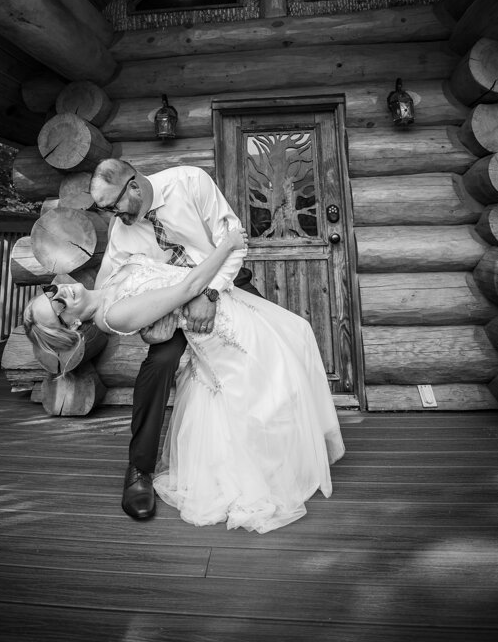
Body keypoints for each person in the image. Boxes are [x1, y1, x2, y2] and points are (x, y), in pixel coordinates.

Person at [23, 226, 346, 533]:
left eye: (50, 291)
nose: (60, 292)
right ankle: (278, 470)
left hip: (232, 307)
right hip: (222, 328)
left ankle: (291, 457)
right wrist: (228, 244)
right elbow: (188, 289)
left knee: (289, 349)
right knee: (272, 385)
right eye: (58, 305)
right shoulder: (113, 314)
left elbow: (165, 266)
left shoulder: (107, 281)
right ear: (73, 326)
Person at [88, 159, 264, 521]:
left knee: (264, 350)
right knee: (160, 364)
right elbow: (106, 289)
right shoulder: (121, 230)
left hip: (225, 282)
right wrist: (137, 314)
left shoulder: (189, 182)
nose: (111, 215)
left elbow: (234, 239)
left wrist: (210, 293)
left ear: (134, 186)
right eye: (103, 209)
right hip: (175, 311)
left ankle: (265, 448)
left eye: (113, 205)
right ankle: (139, 469)